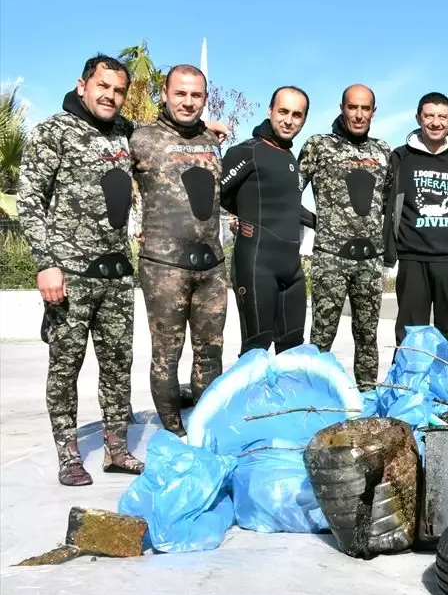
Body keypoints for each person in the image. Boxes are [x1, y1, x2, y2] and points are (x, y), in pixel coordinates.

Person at [17, 54, 146, 485]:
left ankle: (115, 449)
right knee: (65, 367)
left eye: (119, 89)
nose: (111, 95)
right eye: (103, 86)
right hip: (69, 275)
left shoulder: (127, 133)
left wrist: (207, 132)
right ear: (83, 84)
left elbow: (164, 140)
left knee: (117, 365)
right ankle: (69, 455)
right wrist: (46, 264)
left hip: (118, 274)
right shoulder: (53, 132)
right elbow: (30, 200)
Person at [130, 64, 227, 436]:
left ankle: (203, 429)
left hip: (213, 267)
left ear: (205, 97)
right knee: (167, 354)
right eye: (180, 93)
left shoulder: (213, 140)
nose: (188, 102)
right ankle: (173, 432)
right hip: (164, 267)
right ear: (166, 94)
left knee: (210, 352)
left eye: (196, 95)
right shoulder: (140, 138)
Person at [382, 92, 448, 405]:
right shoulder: (400, 158)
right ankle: (406, 395)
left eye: (442, 116)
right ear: (418, 118)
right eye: (429, 116)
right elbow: (385, 202)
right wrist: (389, 252)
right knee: (410, 333)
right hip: (412, 258)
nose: (435, 122)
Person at [299, 84, 391, 390]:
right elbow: (288, 194)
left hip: (371, 260)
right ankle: (315, 397)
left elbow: (393, 203)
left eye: (365, 108)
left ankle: (367, 396)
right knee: (321, 336)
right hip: (330, 258)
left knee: (368, 336)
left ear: (373, 112)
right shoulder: (319, 145)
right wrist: (318, 223)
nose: (359, 114)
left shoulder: (384, 151)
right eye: (353, 107)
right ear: (342, 108)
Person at [219, 86, 316, 355]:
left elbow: (290, 207)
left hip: (292, 269)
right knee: (256, 349)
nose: (289, 120)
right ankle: (251, 398)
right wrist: (243, 214)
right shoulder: (247, 151)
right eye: (283, 111)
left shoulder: (289, 158)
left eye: (297, 115)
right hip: (256, 265)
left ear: (304, 119)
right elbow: (216, 194)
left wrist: (324, 223)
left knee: (292, 351)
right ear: (270, 111)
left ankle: (288, 398)